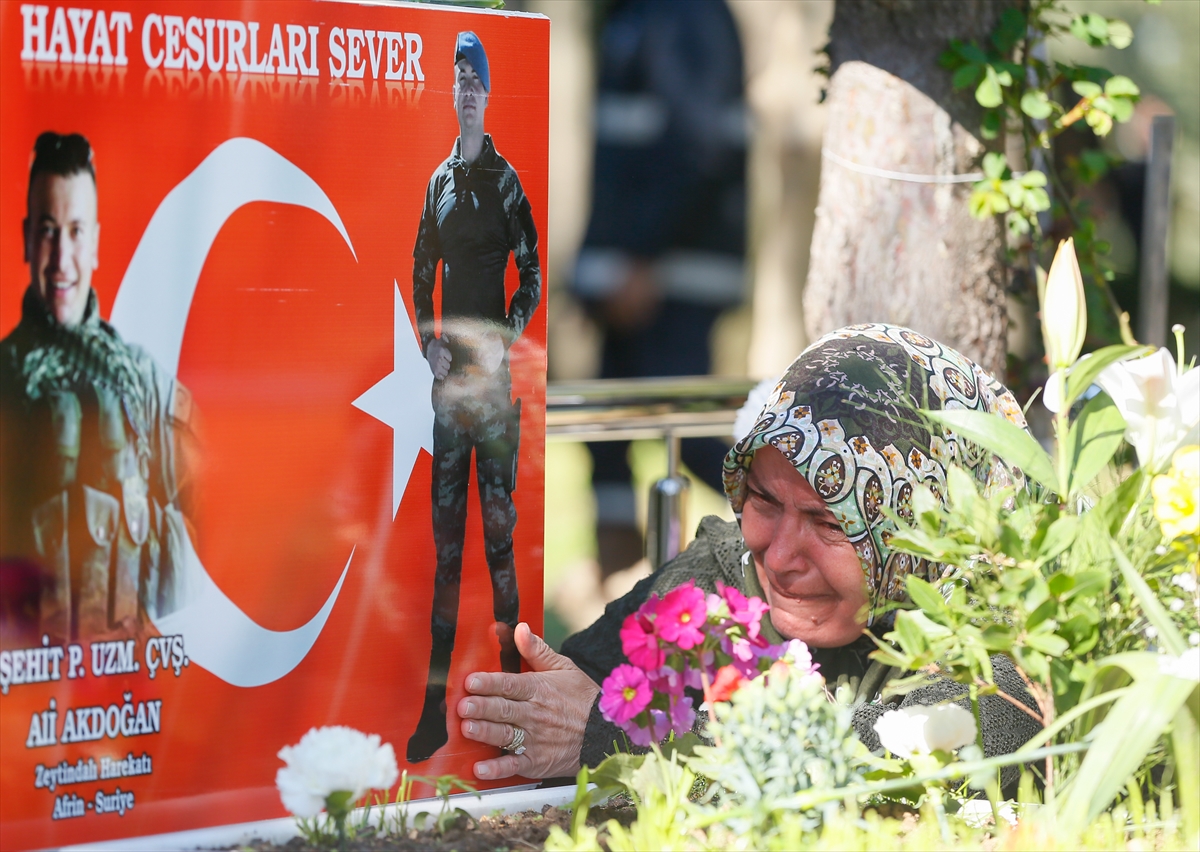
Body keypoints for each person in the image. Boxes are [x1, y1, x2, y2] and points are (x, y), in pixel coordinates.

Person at [455, 324, 1042, 787]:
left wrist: (608, 738)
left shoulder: (1019, 637)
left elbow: (879, 763)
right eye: (762, 499)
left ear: (921, 525)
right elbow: (571, 689)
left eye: (829, 521)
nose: (781, 556)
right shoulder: (731, 568)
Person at [0, 132, 199, 647]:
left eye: (75, 232)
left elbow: (209, 544)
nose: (61, 258)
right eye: (47, 232)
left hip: (124, 692)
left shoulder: (146, 386)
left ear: (94, 244)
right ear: (25, 239)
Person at [572, 0, 748, 577]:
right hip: (625, 273)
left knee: (689, 434)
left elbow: (698, 143)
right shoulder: (633, 15)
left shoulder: (686, 16)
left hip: (669, 278)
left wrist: (642, 254)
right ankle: (619, 593)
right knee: (605, 438)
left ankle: (788, 534)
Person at [406, 31, 543, 764]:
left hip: (493, 397)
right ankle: (432, 712)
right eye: (455, 79)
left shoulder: (505, 180)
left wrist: (504, 336)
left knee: (499, 545)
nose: (463, 90)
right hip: (447, 396)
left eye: (473, 79)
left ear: (487, 93)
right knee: (444, 553)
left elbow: (534, 274)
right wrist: (426, 338)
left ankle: (515, 710)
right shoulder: (438, 182)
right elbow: (420, 262)